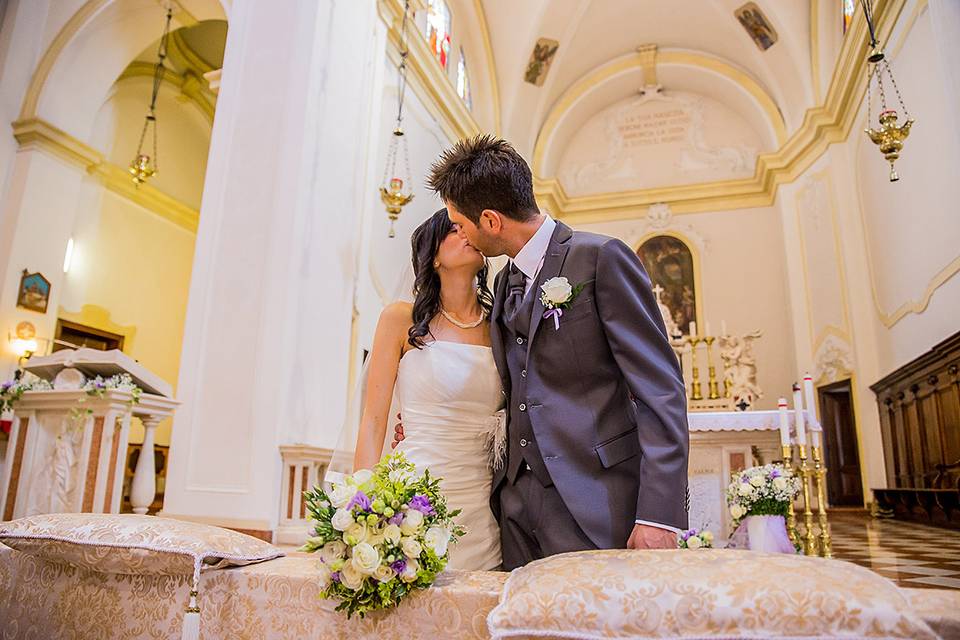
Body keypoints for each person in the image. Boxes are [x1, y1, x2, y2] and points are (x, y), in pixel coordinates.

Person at [394, 135, 689, 570]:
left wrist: (658, 515)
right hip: (513, 511)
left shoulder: (600, 258)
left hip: (595, 501)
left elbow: (660, 391)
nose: (462, 233)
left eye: (461, 222)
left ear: (491, 220)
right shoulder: (503, 285)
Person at [352, 209, 502, 571]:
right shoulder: (399, 319)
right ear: (433, 255)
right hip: (415, 492)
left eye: (470, 227)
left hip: (483, 500)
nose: (468, 233)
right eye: (455, 229)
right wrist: (363, 505)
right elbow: (373, 419)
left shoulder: (500, 322)